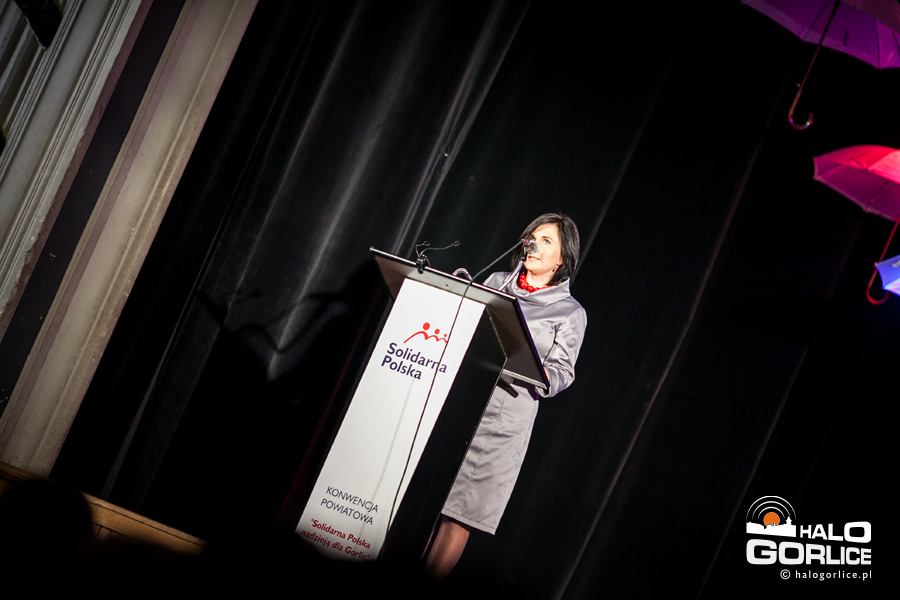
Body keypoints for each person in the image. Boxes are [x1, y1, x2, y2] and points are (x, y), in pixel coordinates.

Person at [425, 213, 587, 578]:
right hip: (459, 404)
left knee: (458, 515)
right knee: (426, 499)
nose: (534, 244)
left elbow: (562, 372)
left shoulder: (570, 312)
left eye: (547, 241)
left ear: (562, 258)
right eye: (533, 237)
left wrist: (535, 368)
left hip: (501, 426)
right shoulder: (498, 282)